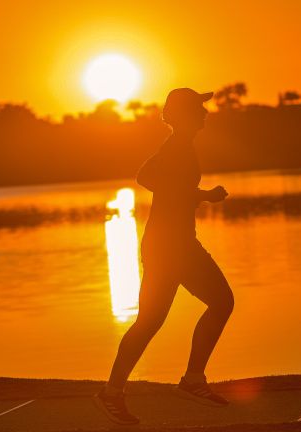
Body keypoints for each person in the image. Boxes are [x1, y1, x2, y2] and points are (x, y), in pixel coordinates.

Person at [93, 88, 235, 425]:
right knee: (218, 303)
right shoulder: (177, 148)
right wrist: (205, 195)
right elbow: (149, 178)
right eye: (199, 108)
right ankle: (190, 382)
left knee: (153, 320)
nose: (205, 113)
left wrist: (193, 194)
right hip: (171, 246)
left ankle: (117, 392)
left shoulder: (179, 146)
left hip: (174, 244)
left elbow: (146, 176)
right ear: (185, 114)